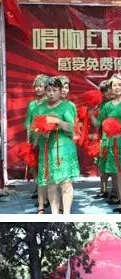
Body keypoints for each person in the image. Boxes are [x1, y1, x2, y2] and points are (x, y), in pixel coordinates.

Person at [34, 77, 79, 214]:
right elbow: (35, 128)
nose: (51, 93)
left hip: (64, 149)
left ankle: (66, 214)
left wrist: (57, 121)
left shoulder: (67, 106)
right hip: (47, 149)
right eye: (49, 90)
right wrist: (41, 131)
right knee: (51, 184)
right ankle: (54, 214)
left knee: (66, 183)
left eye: (55, 90)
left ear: (60, 91)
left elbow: (71, 127)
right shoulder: (40, 107)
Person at [91, 73, 121, 213]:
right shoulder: (107, 106)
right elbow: (99, 124)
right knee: (117, 174)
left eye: (119, 85)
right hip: (111, 143)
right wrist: (90, 114)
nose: (116, 87)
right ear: (110, 88)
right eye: (114, 85)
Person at [25, 74, 49, 213]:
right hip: (34, 139)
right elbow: (29, 123)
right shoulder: (32, 104)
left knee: (45, 167)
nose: (38, 89)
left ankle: (45, 196)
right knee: (34, 166)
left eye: (41, 86)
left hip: (45, 139)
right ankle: (39, 188)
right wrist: (28, 139)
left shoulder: (49, 103)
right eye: (36, 86)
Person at [93, 80, 116, 201]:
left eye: (111, 90)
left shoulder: (118, 104)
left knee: (114, 167)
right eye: (106, 91)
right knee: (103, 166)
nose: (110, 93)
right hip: (103, 138)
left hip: (115, 138)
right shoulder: (101, 105)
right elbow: (98, 124)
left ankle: (115, 191)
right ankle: (103, 190)